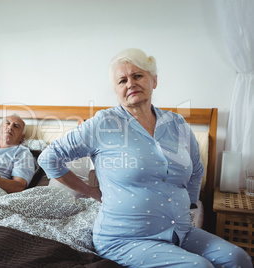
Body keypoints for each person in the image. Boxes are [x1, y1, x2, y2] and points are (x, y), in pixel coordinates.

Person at [38, 48, 252, 267]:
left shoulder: (178, 124)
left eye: (137, 75)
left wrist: (187, 206)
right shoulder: (103, 124)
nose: (130, 83)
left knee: (238, 258)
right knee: (199, 266)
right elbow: (49, 158)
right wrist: (90, 191)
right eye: (122, 80)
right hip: (126, 238)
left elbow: (197, 170)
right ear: (116, 89)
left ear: (154, 80)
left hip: (180, 230)